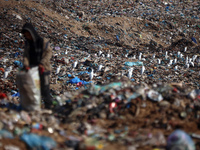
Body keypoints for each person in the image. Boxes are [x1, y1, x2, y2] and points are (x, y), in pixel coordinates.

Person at [21, 23, 53, 109]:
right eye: (26, 35)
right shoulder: (28, 44)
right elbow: (26, 56)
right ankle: (35, 107)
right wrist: (26, 65)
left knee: (45, 89)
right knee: (33, 89)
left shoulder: (43, 42)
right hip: (32, 70)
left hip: (44, 69)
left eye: (28, 35)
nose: (27, 37)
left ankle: (48, 106)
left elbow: (49, 53)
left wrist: (42, 63)